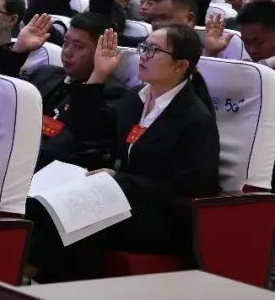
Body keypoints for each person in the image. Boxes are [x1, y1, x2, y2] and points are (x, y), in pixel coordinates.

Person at [26, 25, 220, 283]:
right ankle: (28, 277)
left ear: (180, 65)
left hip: (165, 218)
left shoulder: (195, 120)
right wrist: (99, 75)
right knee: (42, 202)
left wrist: (120, 181)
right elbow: (87, 131)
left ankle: (42, 281)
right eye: (144, 47)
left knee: (80, 219)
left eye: (154, 51)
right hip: (121, 197)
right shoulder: (134, 99)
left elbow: (187, 191)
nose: (144, 55)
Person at [24, 12, 128, 170]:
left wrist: (98, 75)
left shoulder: (115, 94)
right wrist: (18, 51)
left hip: (54, 169)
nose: (67, 51)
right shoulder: (46, 74)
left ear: (101, 51)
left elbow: (82, 134)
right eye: (65, 43)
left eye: (78, 46)